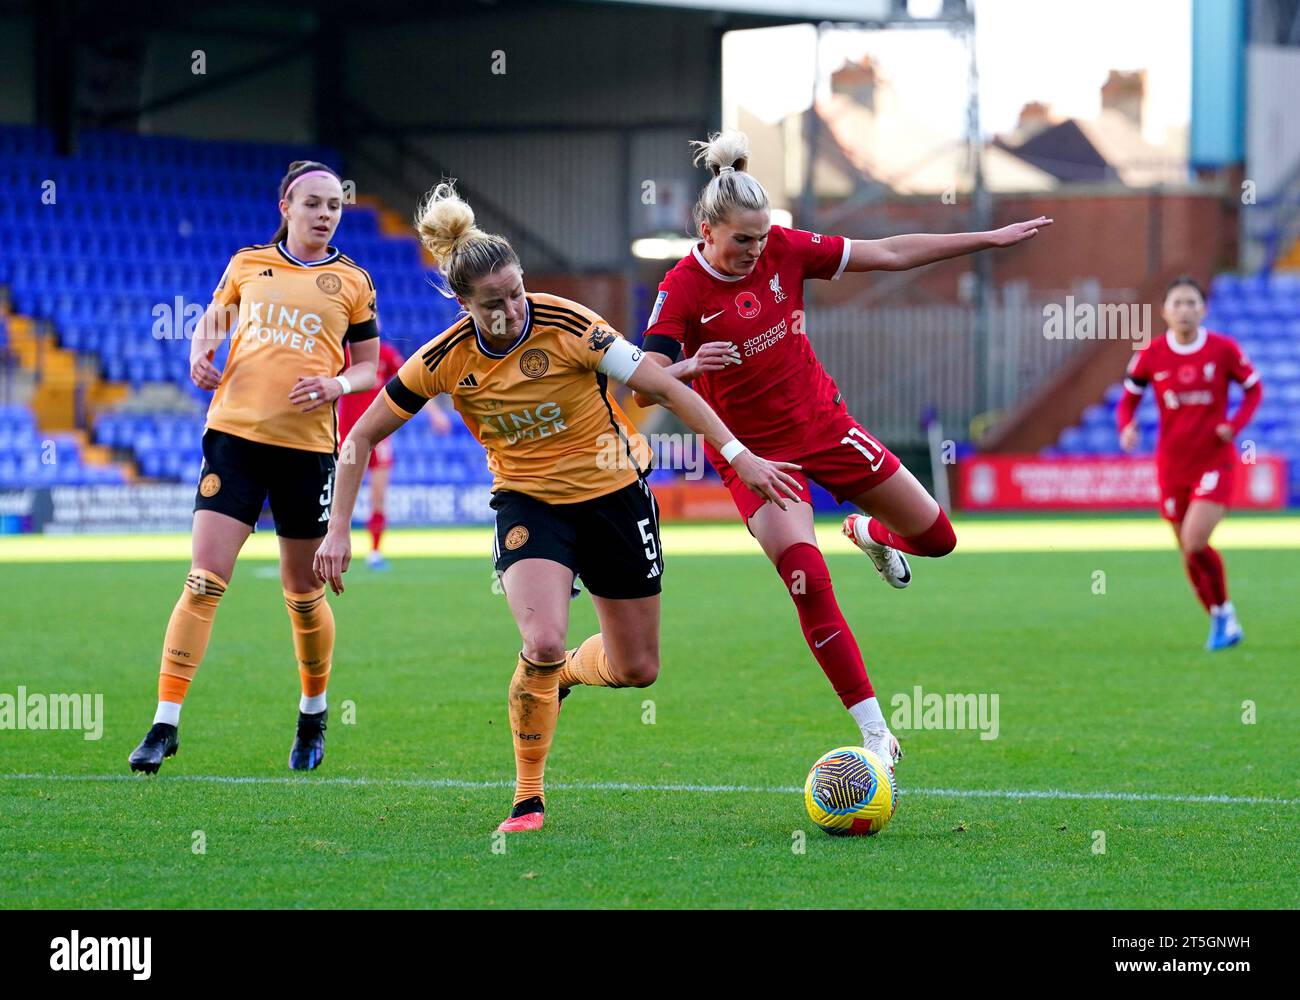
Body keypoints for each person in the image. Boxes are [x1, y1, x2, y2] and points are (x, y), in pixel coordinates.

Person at [314, 181, 800, 832]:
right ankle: (527, 797)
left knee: (638, 669)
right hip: (528, 506)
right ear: (463, 304)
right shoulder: (444, 359)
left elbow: (660, 384)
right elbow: (361, 436)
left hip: (616, 495)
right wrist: (337, 529)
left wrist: (739, 455)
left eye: (517, 292)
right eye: (495, 302)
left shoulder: (570, 325)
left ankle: (568, 674)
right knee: (541, 639)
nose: (514, 309)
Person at [636, 129, 1052, 770]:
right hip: (755, 456)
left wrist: (985, 240)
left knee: (939, 539)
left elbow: (888, 253)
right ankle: (877, 734)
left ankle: (868, 531)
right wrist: (690, 366)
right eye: (741, 239)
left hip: (825, 427)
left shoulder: (785, 248)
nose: (755, 249)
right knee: (806, 576)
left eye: (760, 236)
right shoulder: (682, 287)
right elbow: (645, 386)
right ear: (706, 228)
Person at [128, 160, 380, 774]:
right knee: (203, 580)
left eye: (334, 207)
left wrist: (336, 382)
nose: (325, 214)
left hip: (307, 451)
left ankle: (313, 712)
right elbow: (211, 323)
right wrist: (198, 355)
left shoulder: (353, 282)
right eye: (313, 204)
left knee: (302, 592)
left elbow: (372, 368)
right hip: (234, 440)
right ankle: (165, 723)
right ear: (285, 209)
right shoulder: (247, 265)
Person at [1117, 275, 1262, 650]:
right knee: (1187, 549)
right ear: (1165, 311)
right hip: (1171, 465)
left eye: (1191, 303)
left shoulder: (1222, 350)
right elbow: (1128, 398)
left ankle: (1223, 615)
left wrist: (1234, 424)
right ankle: (1221, 616)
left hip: (1215, 461)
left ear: (1204, 309)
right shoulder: (1151, 354)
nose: (1184, 310)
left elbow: (1254, 388)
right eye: (1177, 303)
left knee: (1195, 540)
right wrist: (1126, 427)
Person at [337, 338, 453, 569]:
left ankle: (375, 552)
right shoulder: (340, 353)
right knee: (332, 497)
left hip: (377, 436)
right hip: (344, 435)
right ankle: (325, 545)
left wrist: (435, 414)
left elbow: (412, 383)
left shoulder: (386, 353)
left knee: (378, 498)